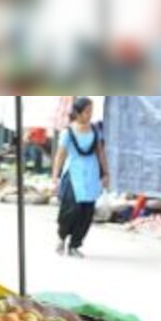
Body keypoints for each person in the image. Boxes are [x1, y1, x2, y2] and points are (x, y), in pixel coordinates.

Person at [52, 97, 109, 258]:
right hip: (73, 173)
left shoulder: (95, 130)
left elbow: (100, 152)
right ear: (77, 113)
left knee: (86, 212)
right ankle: (62, 237)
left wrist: (106, 173)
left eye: (91, 111)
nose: (90, 115)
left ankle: (75, 244)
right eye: (87, 111)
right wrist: (55, 176)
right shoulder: (68, 132)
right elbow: (60, 155)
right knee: (70, 209)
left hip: (90, 174)